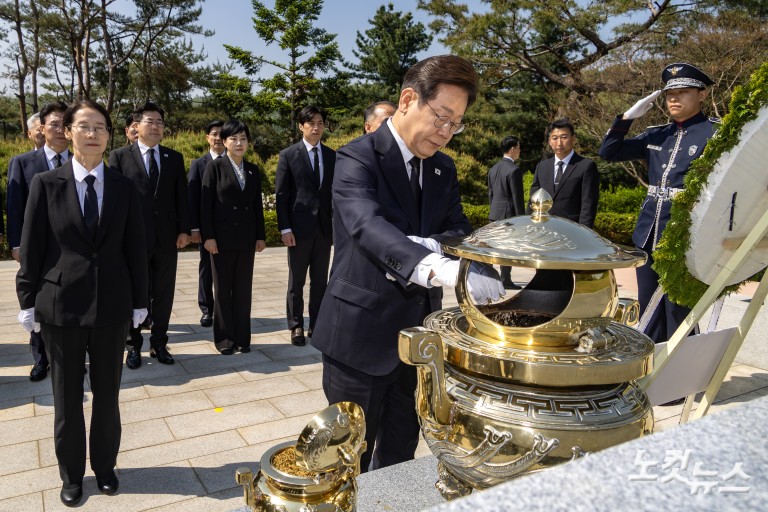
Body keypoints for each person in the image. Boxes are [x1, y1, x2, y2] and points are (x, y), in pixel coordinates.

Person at [311, 54, 505, 472]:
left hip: (418, 338)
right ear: (407, 99)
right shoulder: (357, 157)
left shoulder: (442, 168)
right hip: (360, 335)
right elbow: (367, 226)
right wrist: (438, 266)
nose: (446, 132)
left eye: (456, 124)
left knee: (400, 455)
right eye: (442, 117)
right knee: (347, 460)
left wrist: (436, 246)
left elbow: (457, 230)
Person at [16, 99, 148, 506]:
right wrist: (27, 300)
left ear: (109, 135)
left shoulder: (124, 186)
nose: (93, 134)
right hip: (61, 306)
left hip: (111, 305)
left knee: (108, 395)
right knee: (67, 398)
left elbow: (135, 247)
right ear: (67, 132)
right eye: (84, 126)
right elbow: (32, 247)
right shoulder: (46, 184)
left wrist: (140, 300)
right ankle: (71, 475)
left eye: (100, 127)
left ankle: (105, 468)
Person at [599, 62, 717, 344]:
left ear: (702, 95)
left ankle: (683, 370)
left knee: (679, 311)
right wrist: (626, 118)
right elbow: (608, 152)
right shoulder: (656, 134)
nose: (673, 99)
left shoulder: (715, 134)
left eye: (683, 92)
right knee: (648, 310)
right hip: (648, 234)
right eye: (669, 94)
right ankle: (651, 367)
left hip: (687, 235)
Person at [108, 101, 190, 369]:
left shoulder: (173, 158)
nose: (155, 127)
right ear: (136, 125)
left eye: (160, 122)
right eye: (150, 121)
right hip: (132, 239)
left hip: (167, 238)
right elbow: (114, 200)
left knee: (163, 293)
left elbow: (181, 197)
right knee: (134, 291)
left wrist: (184, 230)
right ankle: (133, 346)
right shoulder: (120, 156)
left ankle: (159, 343)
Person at [7, 101, 71, 382]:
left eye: (64, 124)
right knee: (35, 302)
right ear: (42, 128)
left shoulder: (81, 160)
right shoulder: (23, 163)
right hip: (35, 247)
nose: (59, 129)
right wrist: (17, 244)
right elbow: (15, 206)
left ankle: (69, 357)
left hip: (70, 250)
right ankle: (40, 358)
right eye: (54, 124)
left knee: (69, 302)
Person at [200, 119, 266, 354]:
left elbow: (257, 205)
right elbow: (205, 205)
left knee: (242, 290)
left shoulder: (252, 169)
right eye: (234, 138)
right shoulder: (214, 167)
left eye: (243, 138)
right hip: (221, 239)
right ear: (225, 142)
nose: (239, 143)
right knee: (223, 290)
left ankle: (242, 338)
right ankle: (225, 339)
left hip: (246, 239)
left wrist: (260, 236)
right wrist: (208, 236)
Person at [275, 105, 335, 346]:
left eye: (320, 123)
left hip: (324, 230)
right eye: (311, 123)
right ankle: (296, 325)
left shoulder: (332, 156)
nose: (316, 127)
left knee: (320, 281)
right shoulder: (288, 155)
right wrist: (285, 228)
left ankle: (317, 324)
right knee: (296, 281)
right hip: (298, 230)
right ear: (301, 126)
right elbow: (282, 195)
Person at [529, 119, 599, 228]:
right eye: (555, 138)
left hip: (571, 229)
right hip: (543, 227)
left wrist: (583, 231)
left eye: (564, 137)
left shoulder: (586, 166)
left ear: (573, 139)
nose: (559, 143)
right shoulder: (542, 167)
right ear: (549, 141)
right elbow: (533, 200)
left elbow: (588, 204)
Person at [188, 120, 225, 328]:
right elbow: (192, 197)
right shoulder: (198, 164)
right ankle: (206, 309)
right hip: (206, 227)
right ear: (207, 138)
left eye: (221, 134)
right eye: (214, 134)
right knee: (207, 269)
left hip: (229, 227)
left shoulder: (235, 162)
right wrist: (194, 227)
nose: (218, 138)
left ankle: (224, 308)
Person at [488, 135, 525, 289]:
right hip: (508, 216)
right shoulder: (514, 170)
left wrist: (493, 211)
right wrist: (522, 219)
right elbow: (517, 197)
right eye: (519, 148)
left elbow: (491, 194)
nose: (520, 151)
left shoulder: (493, 169)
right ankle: (505, 280)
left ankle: (491, 278)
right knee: (507, 248)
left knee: (494, 248)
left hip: (494, 214)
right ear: (513, 149)